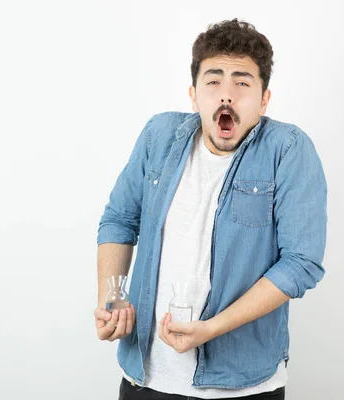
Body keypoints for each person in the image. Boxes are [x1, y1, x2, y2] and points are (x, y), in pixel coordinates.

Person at [94, 18, 327, 400]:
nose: (227, 95)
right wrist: (114, 297)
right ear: (194, 93)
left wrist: (213, 328)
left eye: (242, 82)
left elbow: (301, 262)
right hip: (147, 377)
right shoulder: (159, 135)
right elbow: (119, 221)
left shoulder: (288, 150)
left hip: (242, 384)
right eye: (214, 80)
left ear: (264, 98)